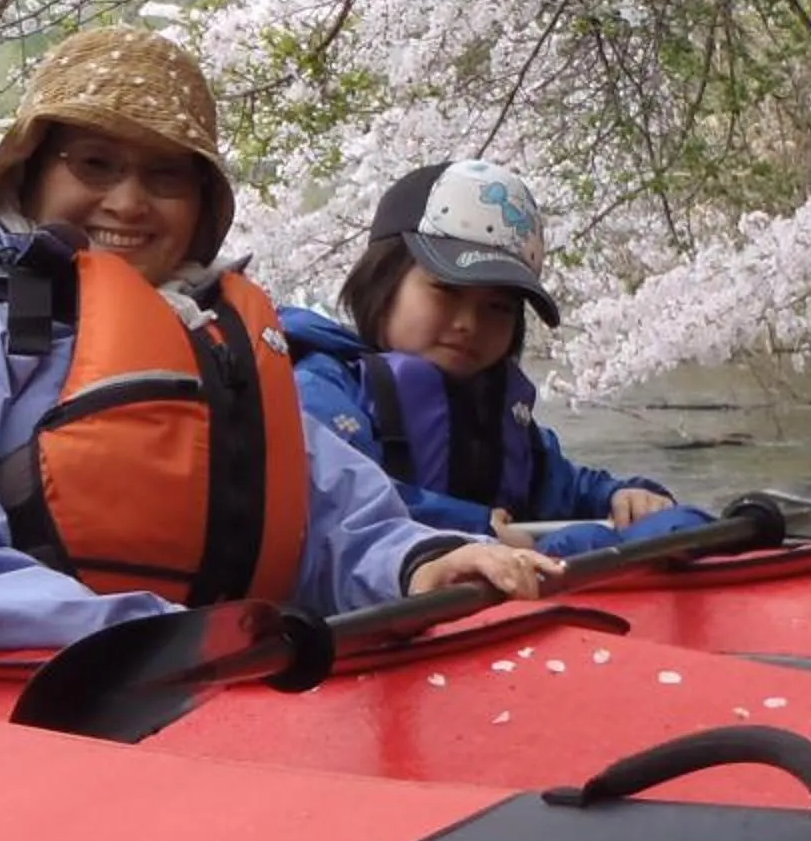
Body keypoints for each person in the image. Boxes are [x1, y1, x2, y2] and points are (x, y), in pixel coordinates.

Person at [0, 28, 560, 649]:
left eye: (166, 176)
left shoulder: (212, 340)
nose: (129, 202)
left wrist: (421, 564)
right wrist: (172, 641)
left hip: (209, 683)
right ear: (31, 175)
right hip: (32, 702)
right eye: (94, 163)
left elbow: (336, 519)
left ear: (200, 205)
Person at [280, 161, 701, 557]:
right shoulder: (323, 391)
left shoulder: (496, 409)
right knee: (582, 542)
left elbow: (563, 486)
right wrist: (472, 524)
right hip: (402, 597)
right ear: (381, 282)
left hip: (503, 605)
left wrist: (623, 495)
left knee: (673, 527)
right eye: (445, 290)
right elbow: (337, 500)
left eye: (497, 308)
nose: (468, 323)